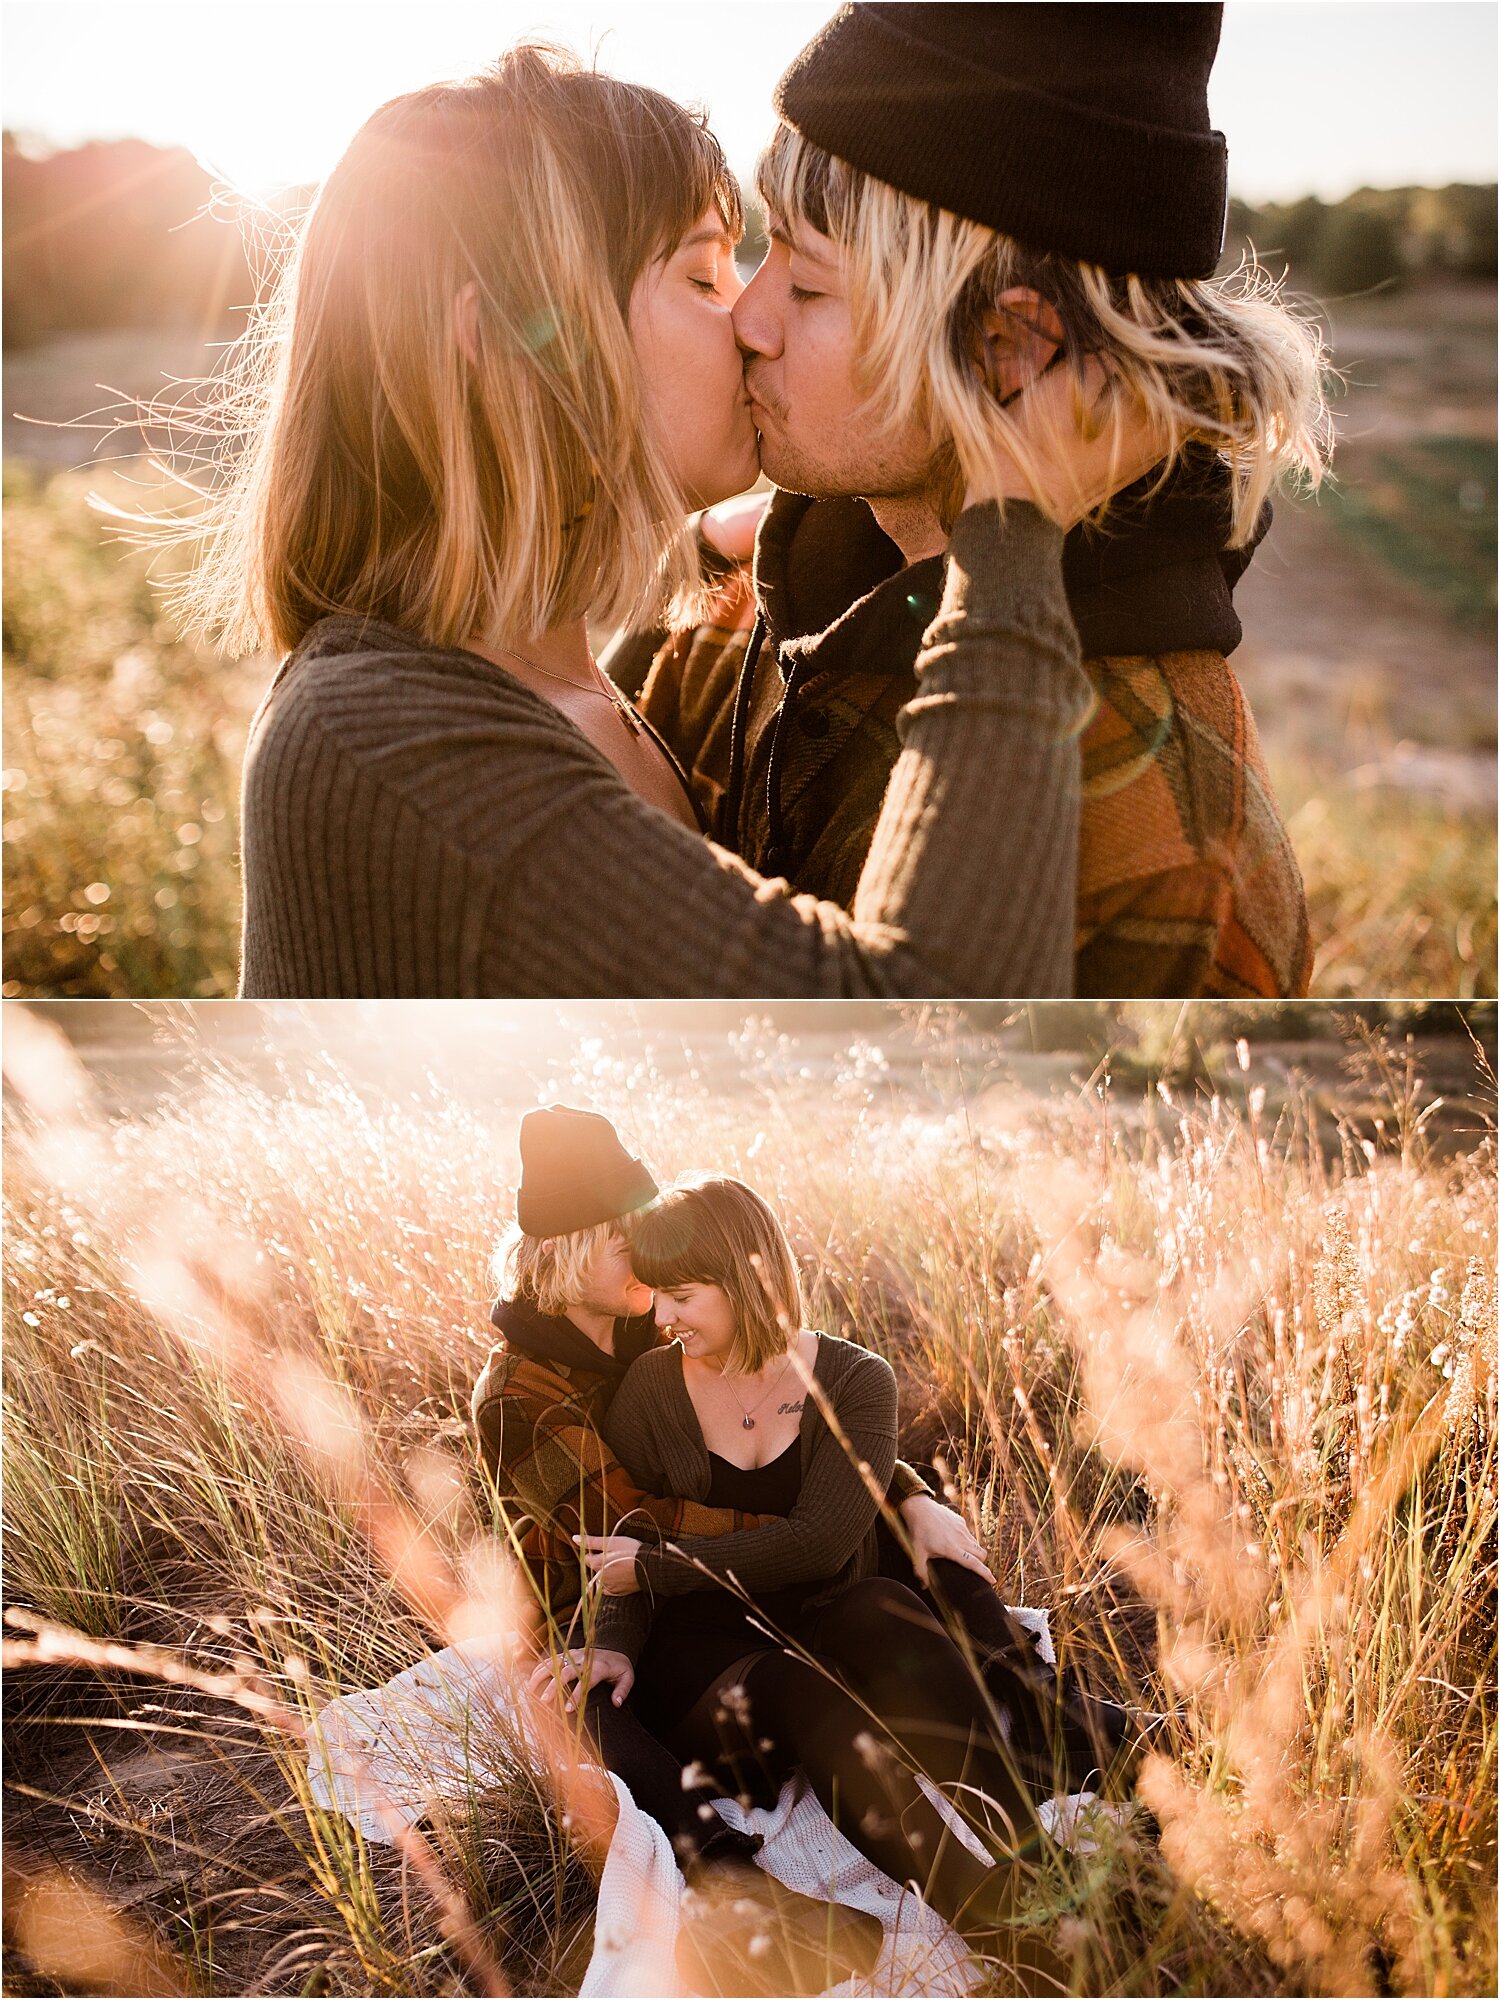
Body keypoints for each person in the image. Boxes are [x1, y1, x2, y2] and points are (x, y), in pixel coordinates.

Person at [171, 42, 1165, 998]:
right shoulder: (390, 749)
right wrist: (1015, 519)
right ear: (517, 350)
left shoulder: (548, 680)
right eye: (701, 276)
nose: (747, 319)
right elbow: (941, 1016)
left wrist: (692, 543)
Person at [624, 2, 1332, 1000]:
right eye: (763, 250)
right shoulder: (749, 593)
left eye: (811, 285)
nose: (749, 315)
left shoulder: (1154, 827)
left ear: (1008, 349)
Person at [471, 1105, 997, 1990]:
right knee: (586, 1712)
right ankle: (738, 1889)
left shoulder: (643, 1317)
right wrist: (824, 1528)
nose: (647, 1256)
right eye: (622, 1240)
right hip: (600, 1612)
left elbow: (783, 1395)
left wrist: (899, 1492)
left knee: (925, 1576)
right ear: (566, 1252)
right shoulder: (517, 1393)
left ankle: (1035, 1724)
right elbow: (630, 1528)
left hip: (706, 1593)